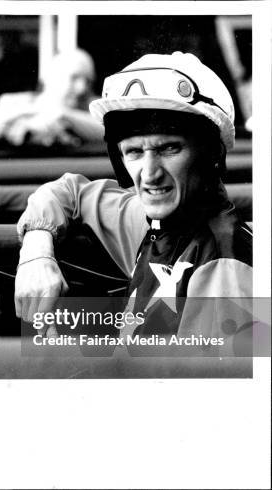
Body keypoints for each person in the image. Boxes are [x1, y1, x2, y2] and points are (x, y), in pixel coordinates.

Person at [14, 52, 252, 340]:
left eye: (169, 148)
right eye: (135, 152)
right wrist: (36, 252)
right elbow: (69, 192)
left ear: (210, 153)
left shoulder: (226, 268)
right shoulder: (147, 219)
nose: (149, 174)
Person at [0, 49, 104, 153]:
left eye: (88, 81)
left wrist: (63, 115)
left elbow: (113, 132)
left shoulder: (94, 108)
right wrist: (22, 114)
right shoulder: (18, 103)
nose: (82, 88)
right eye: (74, 78)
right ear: (50, 78)